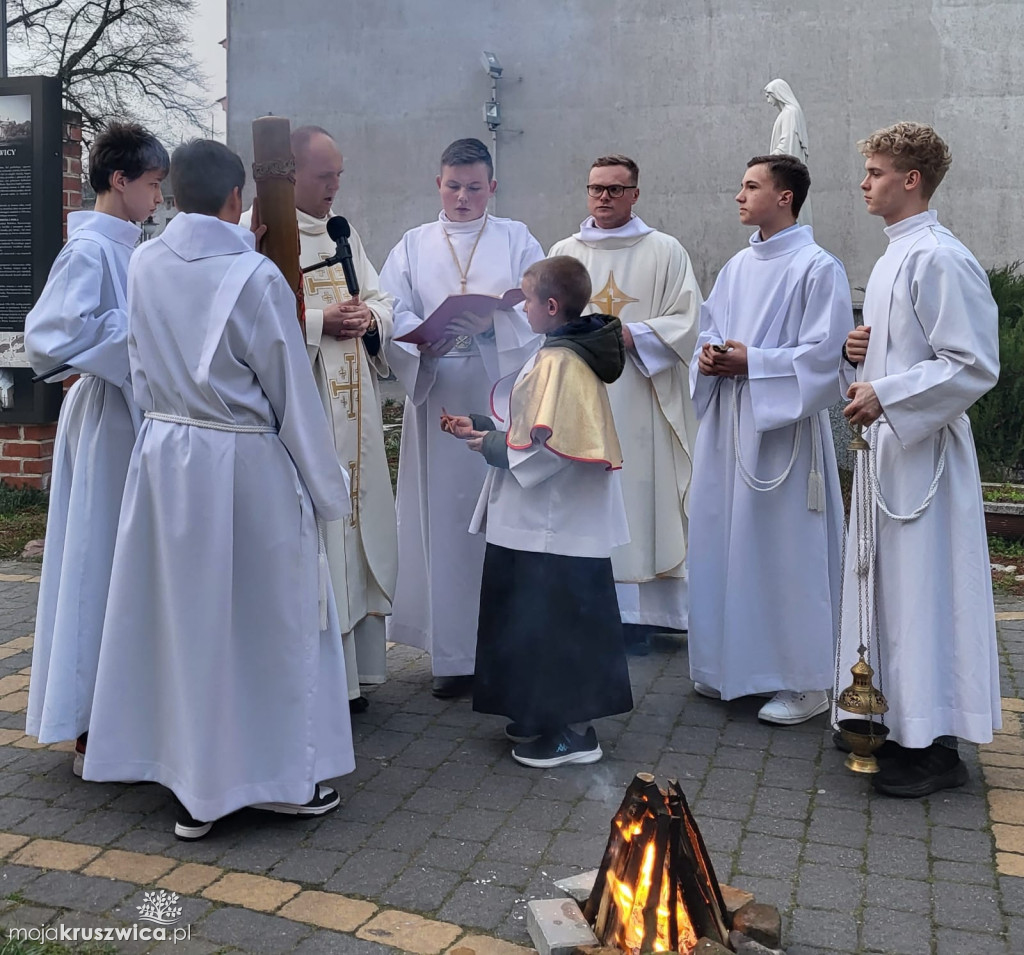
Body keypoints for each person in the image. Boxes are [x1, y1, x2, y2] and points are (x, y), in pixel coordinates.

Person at [83, 140, 354, 840]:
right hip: (244, 466)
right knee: (265, 622)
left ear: (172, 196)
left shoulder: (143, 261)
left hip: (166, 456)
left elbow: (139, 366)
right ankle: (277, 783)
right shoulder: (257, 278)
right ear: (237, 199)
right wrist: (330, 490)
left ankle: (187, 780)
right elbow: (291, 393)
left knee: (184, 623)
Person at [839, 122, 1000, 797]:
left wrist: (888, 390)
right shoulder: (892, 257)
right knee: (890, 597)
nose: (865, 182)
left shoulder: (940, 256)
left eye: (876, 171)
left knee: (926, 596)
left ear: (912, 179)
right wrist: (863, 354)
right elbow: (911, 350)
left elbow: (973, 363)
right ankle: (893, 721)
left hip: (926, 458)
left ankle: (936, 746)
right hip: (890, 451)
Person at [445, 256, 633, 765]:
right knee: (531, 619)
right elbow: (531, 424)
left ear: (551, 307)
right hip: (537, 522)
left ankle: (573, 731)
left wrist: (490, 446)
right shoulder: (555, 351)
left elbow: (548, 450)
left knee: (559, 624)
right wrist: (485, 427)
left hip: (555, 522)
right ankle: (537, 710)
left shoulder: (564, 361)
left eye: (527, 299)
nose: (522, 308)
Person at [23, 122, 168, 772]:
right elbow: (51, 335)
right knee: (99, 561)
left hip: (132, 414)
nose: (158, 199)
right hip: (108, 415)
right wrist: (142, 332)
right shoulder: (89, 251)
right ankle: (89, 722)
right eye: (153, 184)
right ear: (120, 180)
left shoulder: (132, 246)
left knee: (126, 564)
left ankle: (122, 714)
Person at [687, 154, 850, 725]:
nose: (739, 194)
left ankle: (805, 680)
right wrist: (707, 359)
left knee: (784, 551)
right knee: (726, 541)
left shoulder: (816, 267)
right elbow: (708, 328)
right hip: (730, 424)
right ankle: (733, 665)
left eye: (751, 186)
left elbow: (825, 358)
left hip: (781, 436)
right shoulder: (737, 265)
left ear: (785, 197)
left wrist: (751, 362)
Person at [380, 138, 543, 698]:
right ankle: (452, 656)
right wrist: (418, 336)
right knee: (443, 523)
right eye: (454, 185)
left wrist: (494, 326)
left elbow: (536, 305)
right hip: (439, 390)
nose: (463, 197)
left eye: (475, 187)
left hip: (500, 390)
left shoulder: (517, 238)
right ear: (438, 183)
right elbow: (389, 307)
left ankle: (503, 651)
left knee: (501, 518)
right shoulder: (411, 245)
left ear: (492, 187)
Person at [243, 125, 397, 714]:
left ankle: (355, 674)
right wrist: (317, 324)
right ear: (291, 176)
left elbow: (380, 296)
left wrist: (367, 319)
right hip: (304, 412)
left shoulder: (343, 231)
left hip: (353, 413)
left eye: (339, 175)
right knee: (316, 534)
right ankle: (316, 675)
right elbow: (247, 316)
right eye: (323, 176)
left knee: (352, 534)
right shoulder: (257, 231)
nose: (335, 187)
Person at [550, 155, 702, 653]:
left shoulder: (664, 250)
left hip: (642, 392)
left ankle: (652, 613)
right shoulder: (564, 253)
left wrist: (625, 334)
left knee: (644, 494)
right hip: (582, 393)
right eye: (596, 188)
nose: (604, 197)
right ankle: (594, 608)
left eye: (617, 189)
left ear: (635, 194)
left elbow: (686, 320)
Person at [764, 79, 812, 228]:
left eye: (768, 95)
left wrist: (771, 160)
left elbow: (787, 141)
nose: (767, 100)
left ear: (777, 94)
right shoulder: (787, 113)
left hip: (786, 169)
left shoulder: (791, 112)